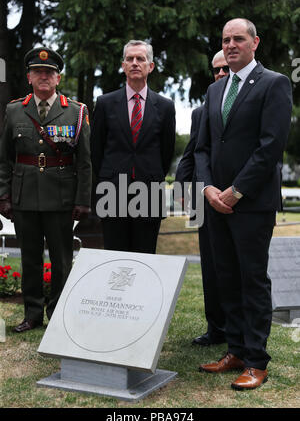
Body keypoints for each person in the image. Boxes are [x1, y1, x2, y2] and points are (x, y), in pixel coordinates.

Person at [194, 18, 292, 390]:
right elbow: (202, 148)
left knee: (251, 280)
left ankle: (255, 360)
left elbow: (270, 148)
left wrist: (234, 192)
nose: (231, 44)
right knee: (226, 279)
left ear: (255, 43)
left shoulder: (274, 83)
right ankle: (234, 350)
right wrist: (207, 191)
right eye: (225, 40)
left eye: (238, 39)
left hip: (250, 204)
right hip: (215, 201)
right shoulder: (215, 91)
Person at [0, 47, 92, 332]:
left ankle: (59, 313)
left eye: (49, 72)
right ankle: (32, 314)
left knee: (62, 259)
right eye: (38, 72)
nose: (43, 76)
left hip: (61, 197)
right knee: (29, 257)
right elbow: (5, 157)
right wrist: (4, 195)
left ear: (58, 78)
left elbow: (85, 161)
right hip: (24, 196)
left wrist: (83, 200)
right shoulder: (15, 110)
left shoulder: (75, 112)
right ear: (29, 77)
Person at [90, 40, 175, 253]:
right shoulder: (105, 103)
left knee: (145, 258)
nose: (135, 63)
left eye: (140, 58)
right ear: (123, 65)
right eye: (130, 59)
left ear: (151, 66)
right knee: (115, 258)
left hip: (149, 192)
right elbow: (96, 150)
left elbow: (166, 153)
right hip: (112, 192)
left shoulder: (165, 107)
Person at [175, 50, 228, 346]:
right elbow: (192, 153)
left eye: (224, 69)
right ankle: (216, 329)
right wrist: (182, 188)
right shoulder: (200, 111)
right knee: (210, 267)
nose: (220, 74)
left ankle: (238, 330)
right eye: (216, 70)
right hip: (203, 199)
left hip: (238, 200)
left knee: (235, 268)